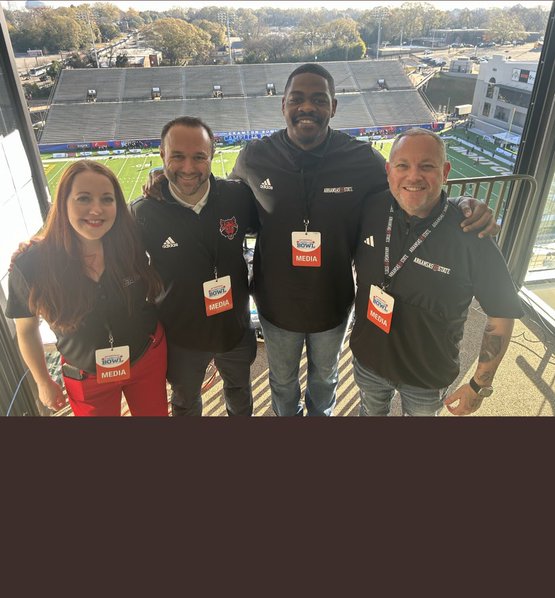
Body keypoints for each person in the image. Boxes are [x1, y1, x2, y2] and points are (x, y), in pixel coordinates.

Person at [230, 64, 495, 417]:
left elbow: (410, 188)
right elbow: (224, 202)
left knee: (325, 380)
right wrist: (165, 183)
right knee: (282, 382)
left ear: (334, 107)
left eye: (318, 99)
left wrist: (461, 203)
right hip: (275, 305)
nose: (307, 106)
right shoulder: (254, 156)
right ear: (283, 105)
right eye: (297, 98)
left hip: (334, 303)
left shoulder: (363, 159)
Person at [349, 129, 523, 416]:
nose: (413, 176)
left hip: (426, 377)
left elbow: (502, 313)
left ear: (445, 172)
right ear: (389, 171)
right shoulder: (369, 208)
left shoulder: (471, 232)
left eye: (426, 166)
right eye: (403, 165)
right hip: (368, 360)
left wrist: (480, 386)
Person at [7, 161, 168, 417]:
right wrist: (42, 381)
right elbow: (26, 331)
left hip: (146, 356)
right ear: (63, 203)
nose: (97, 209)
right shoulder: (31, 264)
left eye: (107, 199)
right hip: (85, 374)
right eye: (83, 198)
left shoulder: (130, 241)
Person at [133, 117, 258, 416]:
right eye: (177, 156)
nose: (188, 168)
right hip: (181, 337)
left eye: (199, 157)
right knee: (185, 403)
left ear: (211, 156)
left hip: (234, 328)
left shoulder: (237, 197)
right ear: (162, 155)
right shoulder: (143, 212)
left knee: (240, 394)